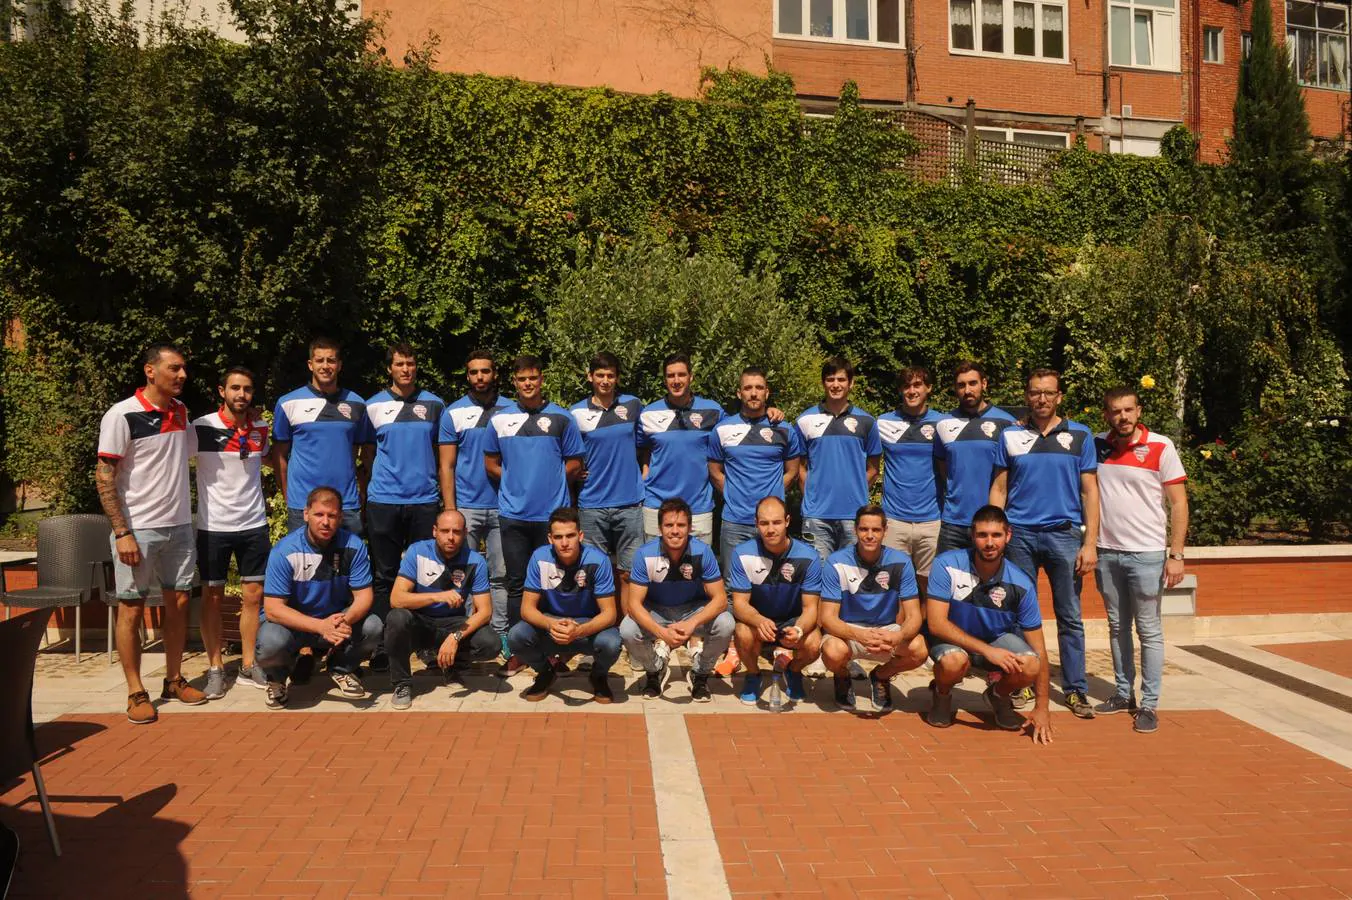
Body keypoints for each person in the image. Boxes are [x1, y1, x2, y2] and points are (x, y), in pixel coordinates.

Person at [96, 343, 206, 724]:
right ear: (150, 370)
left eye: (183, 368)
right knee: (132, 607)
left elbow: (193, 453)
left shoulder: (179, 411)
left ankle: (173, 680)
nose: (182, 375)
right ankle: (134, 690)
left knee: (177, 606)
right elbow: (104, 475)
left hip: (179, 526)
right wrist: (122, 532)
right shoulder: (121, 415)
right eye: (174, 368)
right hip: (138, 529)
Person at [990, 368, 1099, 719]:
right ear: (1027, 396)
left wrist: (1090, 543)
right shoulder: (1010, 435)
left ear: (1059, 397)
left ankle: (1075, 689)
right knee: (1018, 614)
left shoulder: (1080, 435)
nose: (1041, 399)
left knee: (1069, 616)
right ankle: (1021, 680)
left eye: (1048, 393)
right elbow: (1000, 489)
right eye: (1035, 392)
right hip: (1019, 535)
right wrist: (995, 534)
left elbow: (1090, 492)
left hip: (1064, 535)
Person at [1092, 386, 1189, 734]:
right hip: (1106, 552)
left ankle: (1149, 703)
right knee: (1117, 627)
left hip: (1147, 554)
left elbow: (1178, 503)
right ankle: (1122, 693)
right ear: (1107, 414)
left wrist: (1176, 555)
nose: (1123, 417)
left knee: (1149, 631)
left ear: (1139, 410)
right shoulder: (1096, 445)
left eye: (1129, 410)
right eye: (1116, 411)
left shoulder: (1161, 446)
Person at [924, 505, 1053, 744]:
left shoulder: (1022, 583)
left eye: (996, 535)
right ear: (972, 536)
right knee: (954, 661)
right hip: (951, 641)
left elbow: (1041, 650)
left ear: (1008, 536)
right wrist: (987, 651)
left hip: (994, 639)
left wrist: (1042, 707)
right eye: (983, 535)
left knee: (1031, 664)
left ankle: (998, 695)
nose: (989, 542)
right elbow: (936, 624)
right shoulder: (947, 565)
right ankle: (942, 695)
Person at [483, 355, 585, 654]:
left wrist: (552, 480)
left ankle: (556, 648)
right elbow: (491, 463)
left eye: (533, 378)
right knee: (517, 584)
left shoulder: (562, 418)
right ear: (514, 383)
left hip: (552, 517)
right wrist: (516, 480)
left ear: (542, 380)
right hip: (513, 515)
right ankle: (519, 649)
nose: (528, 384)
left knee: (554, 583)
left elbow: (575, 462)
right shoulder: (499, 419)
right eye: (522, 379)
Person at [256, 487, 383, 709]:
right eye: (319, 515)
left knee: (373, 626)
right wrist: (320, 626)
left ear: (340, 517)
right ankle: (276, 678)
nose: (326, 522)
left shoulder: (353, 546)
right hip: (293, 625)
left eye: (332, 516)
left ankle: (341, 668)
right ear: (306, 514)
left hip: (334, 622)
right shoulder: (284, 550)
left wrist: (344, 620)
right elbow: (273, 609)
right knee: (270, 644)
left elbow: (364, 597)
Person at [192, 365, 274, 698]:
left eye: (248, 389)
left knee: (253, 597)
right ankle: (215, 668)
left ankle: (248, 665)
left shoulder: (260, 427)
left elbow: (270, 460)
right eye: (235, 388)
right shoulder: (201, 427)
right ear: (221, 391)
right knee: (212, 598)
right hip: (213, 526)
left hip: (253, 523)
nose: (241, 394)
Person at [363, 343, 446, 670]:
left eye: (411, 363)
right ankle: (385, 644)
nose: (406, 369)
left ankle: (423, 644)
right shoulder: (372, 406)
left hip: (424, 501)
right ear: (390, 369)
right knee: (383, 575)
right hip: (383, 501)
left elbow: (443, 453)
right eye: (400, 364)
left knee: (425, 575)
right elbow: (367, 455)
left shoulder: (435, 404)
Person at [621, 498, 734, 702]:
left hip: (692, 610)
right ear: (659, 528)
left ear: (690, 528)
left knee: (726, 623)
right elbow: (634, 604)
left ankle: (700, 673)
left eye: (681, 525)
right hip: (656, 611)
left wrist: (692, 624)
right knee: (627, 629)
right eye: (669, 525)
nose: (675, 531)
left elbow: (720, 600)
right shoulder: (644, 555)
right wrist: (661, 633)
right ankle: (655, 669)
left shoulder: (702, 552)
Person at [385, 509, 500, 710]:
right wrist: (436, 596)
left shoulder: (475, 561)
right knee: (396, 618)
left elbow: (485, 611)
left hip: (452, 623)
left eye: (456, 532)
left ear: (465, 533)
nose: (450, 537)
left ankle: (450, 666)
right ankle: (402, 684)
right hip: (420, 622)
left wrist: (454, 637)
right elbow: (396, 599)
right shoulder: (417, 552)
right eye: (445, 531)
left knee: (490, 643)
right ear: (434, 531)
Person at [819, 505, 927, 714]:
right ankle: (842, 677)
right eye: (864, 530)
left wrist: (899, 635)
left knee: (919, 649)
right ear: (855, 530)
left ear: (885, 531)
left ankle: (881, 676)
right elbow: (828, 618)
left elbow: (914, 615)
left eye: (876, 530)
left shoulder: (901, 562)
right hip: (849, 631)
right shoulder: (837, 562)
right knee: (832, 652)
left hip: (887, 631)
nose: (869, 536)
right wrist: (860, 635)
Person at [507, 508, 622, 703]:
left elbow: (610, 614)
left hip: (587, 625)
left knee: (612, 643)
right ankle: (545, 672)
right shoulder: (539, 558)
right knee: (516, 636)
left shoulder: (598, 561)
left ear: (581, 536)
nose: (565, 542)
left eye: (570, 535)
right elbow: (526, 609)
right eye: (558, 537)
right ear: (550, 539)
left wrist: (579, 630)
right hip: (551, 623)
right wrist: (551, 624)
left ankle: (599, 675)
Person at [438, 350, 510, 655]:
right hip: (465, 506)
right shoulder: (452, 413)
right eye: (473, 372)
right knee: (462, 575)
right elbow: (446, 466)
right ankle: (464, 631)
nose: (479, 377)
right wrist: (451, 510)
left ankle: (501, 633)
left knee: (500, 574)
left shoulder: (513, 410)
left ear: (495, 374)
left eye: (485, 371)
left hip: (503, 506)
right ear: (467, 376)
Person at [727, 497, 823, 706]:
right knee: (742, 632)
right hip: (758, 620)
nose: (770, 529)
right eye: (764, 523)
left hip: (792, 620)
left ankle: (794, 671)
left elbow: (810, 609)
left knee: (815, 644)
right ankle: (753, 674)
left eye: (776, 522)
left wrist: (798, 630)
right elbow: (740, 604)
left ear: (787, 521)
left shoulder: (809, 557)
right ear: (756, 524)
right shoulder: (742, 554)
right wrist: (759, 620)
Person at [272, 337, 372, 535]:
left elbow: (364, 453)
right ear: (310, 365)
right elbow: (279, 456)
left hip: (346, 504)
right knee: (303, 564)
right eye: (320, 360)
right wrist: (288, 496)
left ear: (339, 365)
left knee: (348, 564)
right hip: (303, 505)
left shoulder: (358, 404)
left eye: (331, 360)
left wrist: (361, 491)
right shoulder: (287, 403)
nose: (326, 366)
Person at [708, 367, 803, 574]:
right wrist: (734, 494)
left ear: (767, 393)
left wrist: (774, 495)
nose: (753, 393)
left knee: (772, 583)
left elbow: (793, 472)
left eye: (759, 388)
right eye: (748, 388)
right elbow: (715, 472)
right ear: (739, 393)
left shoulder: (784, 429)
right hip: (735, 522)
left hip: (772, 523)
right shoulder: (722, 430)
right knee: (733, 586)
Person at [569, 352, 644, 600]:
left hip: (630, 503)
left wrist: (644, 475)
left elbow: (647, 446)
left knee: (629, 573)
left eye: (610, 375)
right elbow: (568, 452)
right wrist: (576, 470)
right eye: (600, 375)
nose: (605, 380)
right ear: (590, 377)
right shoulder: (576, 413)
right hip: (592, 504)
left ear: (617, 378)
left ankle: (627, 630)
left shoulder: (632, 405)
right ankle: (600, 630)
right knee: (595, 573)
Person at [795, 357, 881, 560]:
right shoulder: (804, 420)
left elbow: (873, 469)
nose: (835, 385)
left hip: (854, 516)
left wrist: (855, 490)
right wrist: (812, 496)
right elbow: (799, 467)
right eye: (830, 379)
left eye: (841, 379)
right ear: (823, 383)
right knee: (817, 578)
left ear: (851, 383)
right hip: (817, 516)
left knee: (850, 578)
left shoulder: (867, 422)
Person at [637, 353, 724, 546]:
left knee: (699, 570)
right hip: (656, 505)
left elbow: (737, 435)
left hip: (698, 506)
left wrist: (768, 414)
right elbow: (641, 449)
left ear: (691, 377)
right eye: (670, 376)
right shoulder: (648, 413)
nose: (676, 381)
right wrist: (645, 472)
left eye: (681, 375)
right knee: (655, 570)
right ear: (665, 379)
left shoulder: (713, 412)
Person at [934, 361, 1017, 555]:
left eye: (973, 383)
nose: (967, 390)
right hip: (953, 523)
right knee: (950, 582)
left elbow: (1013, 472)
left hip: (991, 525)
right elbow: (944, 468)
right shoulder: (943, 424)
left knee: (991, 583)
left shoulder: (1007, 423)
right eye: (961, 385)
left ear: (984, 384)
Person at [877, 366, 945, 597]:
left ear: (929, 388)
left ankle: (926, 632)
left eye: (917, 385)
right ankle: (898, 632)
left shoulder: (944, 424)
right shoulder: (883, 423)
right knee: (893, 586)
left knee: (929, 586)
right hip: (894, 520)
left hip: (932, 520)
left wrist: (1023, 422)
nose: (912, 391)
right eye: (906, 386)